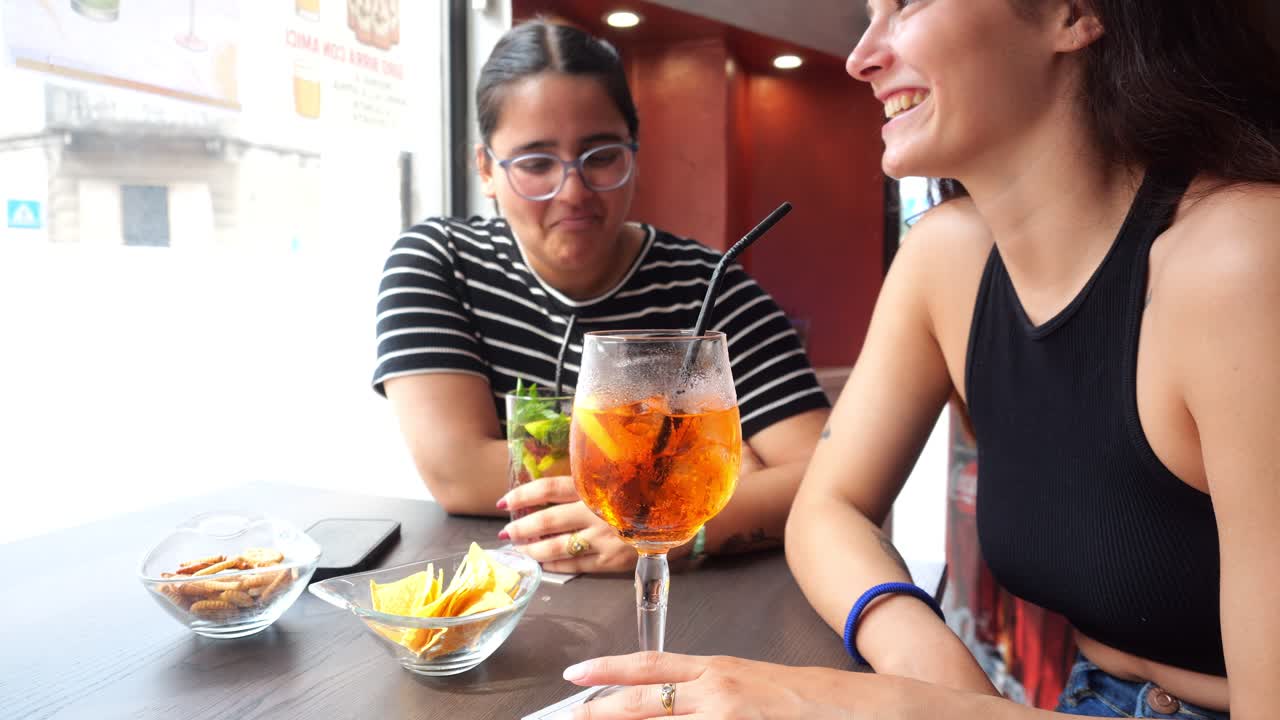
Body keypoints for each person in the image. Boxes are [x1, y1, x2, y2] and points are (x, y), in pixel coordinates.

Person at [563, 0, 1279, 717]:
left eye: (906, 4)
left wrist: (882, 707)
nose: (861, 56)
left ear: (1072, 13)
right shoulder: (947, 257)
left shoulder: (1244, 261)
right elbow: (827, 507)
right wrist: (923, 660)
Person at [372, 19, 830, 575]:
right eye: (536, 163)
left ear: (633, 154)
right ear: (486, 169)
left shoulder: (715, 288)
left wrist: (691, 531)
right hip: (502, 597)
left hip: (697, 601)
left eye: (602, 156)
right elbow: (458, 471)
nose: (574, 192)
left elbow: (826, 473)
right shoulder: (439, 261)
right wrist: (705, 464)